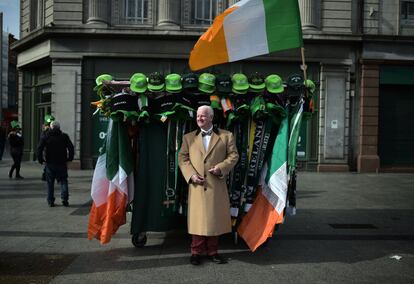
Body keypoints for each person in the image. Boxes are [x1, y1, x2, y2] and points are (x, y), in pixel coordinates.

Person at [178, 105, 239, 265]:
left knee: (214, 219)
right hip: (197, 185)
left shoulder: (226, 136)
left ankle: (213, 251)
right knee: (198, 219)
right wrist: (191, 175)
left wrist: (221, 168)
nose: (199, 118)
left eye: (203, 116)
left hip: (215, 184)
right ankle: (196, 252)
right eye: (198, 116)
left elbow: (234, 156)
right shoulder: (188, 137)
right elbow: (182, 158)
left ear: (211, 118)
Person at [37, 121, 74, 207]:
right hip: (62, 162)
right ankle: (64, 199)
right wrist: (70, 159)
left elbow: (39, 148)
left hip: (50, 163)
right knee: (63, 181)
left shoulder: (46, 136)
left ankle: (50, 201)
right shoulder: (64, 136)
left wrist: (41, 160)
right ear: (59, 128)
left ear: (51, 127)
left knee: (50, 183)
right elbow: (71, 148)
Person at [39, 114, 55, 181]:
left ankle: (45, 175)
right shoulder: (45, 131)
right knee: (48, 163)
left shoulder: (50, 130)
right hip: (47, 150)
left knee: (48, 163)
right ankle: (45, 175)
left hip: (50, 150)